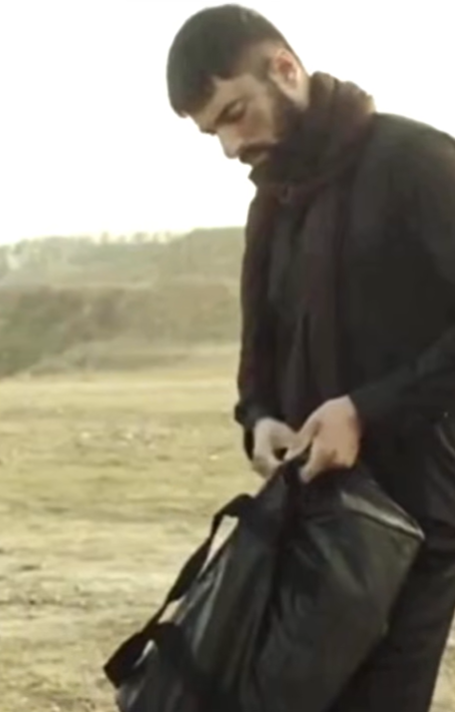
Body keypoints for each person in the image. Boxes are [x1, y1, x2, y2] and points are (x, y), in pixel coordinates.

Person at [166, 5, 455, 712]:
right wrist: (259, 418)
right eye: (212, 132)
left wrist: (365, 410)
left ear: (285, 70)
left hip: (416, 519)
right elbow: (259, 346)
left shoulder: (418, 163)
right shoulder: (272, 201)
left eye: (235, 113)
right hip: (307, 513)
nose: (230, 146)